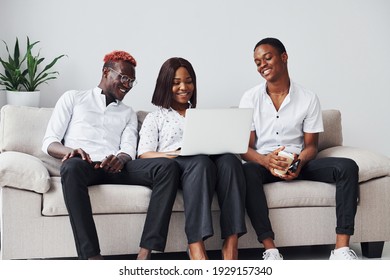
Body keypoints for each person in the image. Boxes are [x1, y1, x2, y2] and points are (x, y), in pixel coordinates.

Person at [42, 50, 180, 260]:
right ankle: (92, 257)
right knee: (70, 167)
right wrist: (71, 151)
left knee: (167, 167)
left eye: (132, 81)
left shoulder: (128, 113)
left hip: (118, 167)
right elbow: (50, 142)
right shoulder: (74, 98)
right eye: (124, 78)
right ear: (106, 72)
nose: (128, 85)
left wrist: (121, 158)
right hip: (85, 165)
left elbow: (128, 147)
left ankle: (146, 251)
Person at [239, 38, 359, 260]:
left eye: (267, 58)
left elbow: (312, 146)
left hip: (299, 162)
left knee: (348, 167)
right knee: (245, 172)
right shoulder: (250, 98)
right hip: (265, 163)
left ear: (284, 57)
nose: (262, 65)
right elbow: (244, 148)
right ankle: (271, 250)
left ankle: (341, 249)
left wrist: (298, 162)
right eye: (257, 62)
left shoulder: (308, 98)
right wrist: (266, 161)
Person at [137, 57, 246, 260]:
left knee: (231, 160)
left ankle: (231, 244)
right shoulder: (156, 117)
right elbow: (144, 153)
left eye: (188, 81)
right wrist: (175, 153)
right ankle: (196, 245)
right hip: (177, 167)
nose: (184, 87)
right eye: (176, 82)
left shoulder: (202, 115)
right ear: (165, 85)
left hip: (206, 165)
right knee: (200, 162)